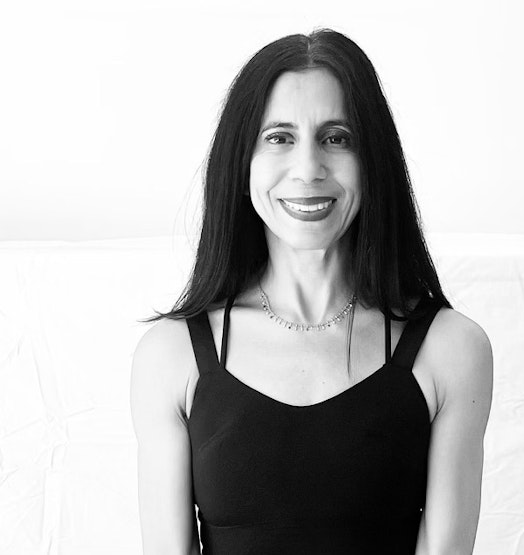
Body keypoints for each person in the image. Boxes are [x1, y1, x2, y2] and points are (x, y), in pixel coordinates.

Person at [130, 28, 493, 555]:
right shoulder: (171, 355)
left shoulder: (451, 349)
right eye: (279, 137)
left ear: (373, 160)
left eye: (336, 137)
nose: (308, 169)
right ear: (241, 161)